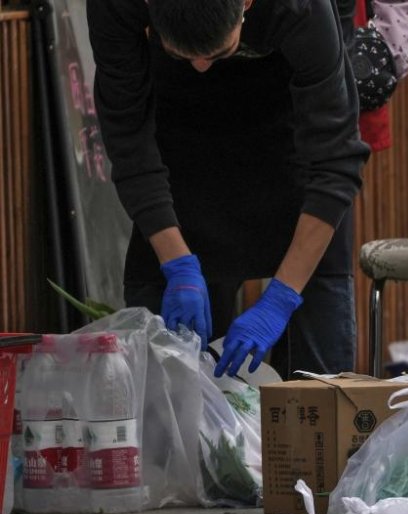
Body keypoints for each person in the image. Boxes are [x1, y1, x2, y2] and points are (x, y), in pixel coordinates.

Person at [88, 0, 370, 378]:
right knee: (167, 381)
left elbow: (335, 161)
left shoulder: (301, 7)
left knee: (320, 381)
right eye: (183, 54)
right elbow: (128, 140)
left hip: (290, 121)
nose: (203, 66)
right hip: (179, 132)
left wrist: (282, 298)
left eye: (218, 52)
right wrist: (177, 263)